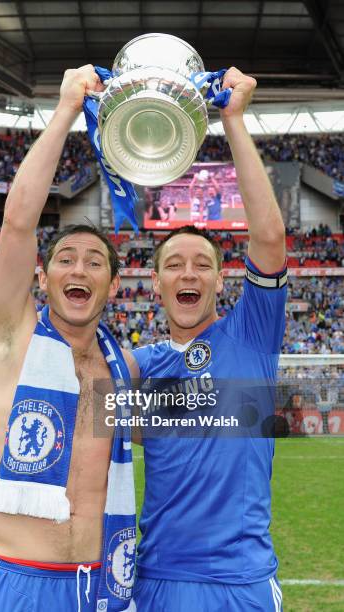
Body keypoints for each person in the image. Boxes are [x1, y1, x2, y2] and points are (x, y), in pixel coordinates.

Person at [0, 66, 137, 612]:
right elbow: (17, 224)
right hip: (14, 579)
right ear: (43, 279)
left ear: (112, 285)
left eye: (94, 263)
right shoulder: (11, 340)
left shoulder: (123, 369)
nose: (78, 271)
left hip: (103, 586)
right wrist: (67, 109)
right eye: (65, 260)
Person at [131, 67, 287, 610]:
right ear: (155, 283)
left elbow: (269, 238)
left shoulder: (252, 335)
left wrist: (234, 120)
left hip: (240, 583)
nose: (189, 274)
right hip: (156, 579)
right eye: (174, 265)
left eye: (203, 264)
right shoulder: (138, 367)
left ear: (223, 279)